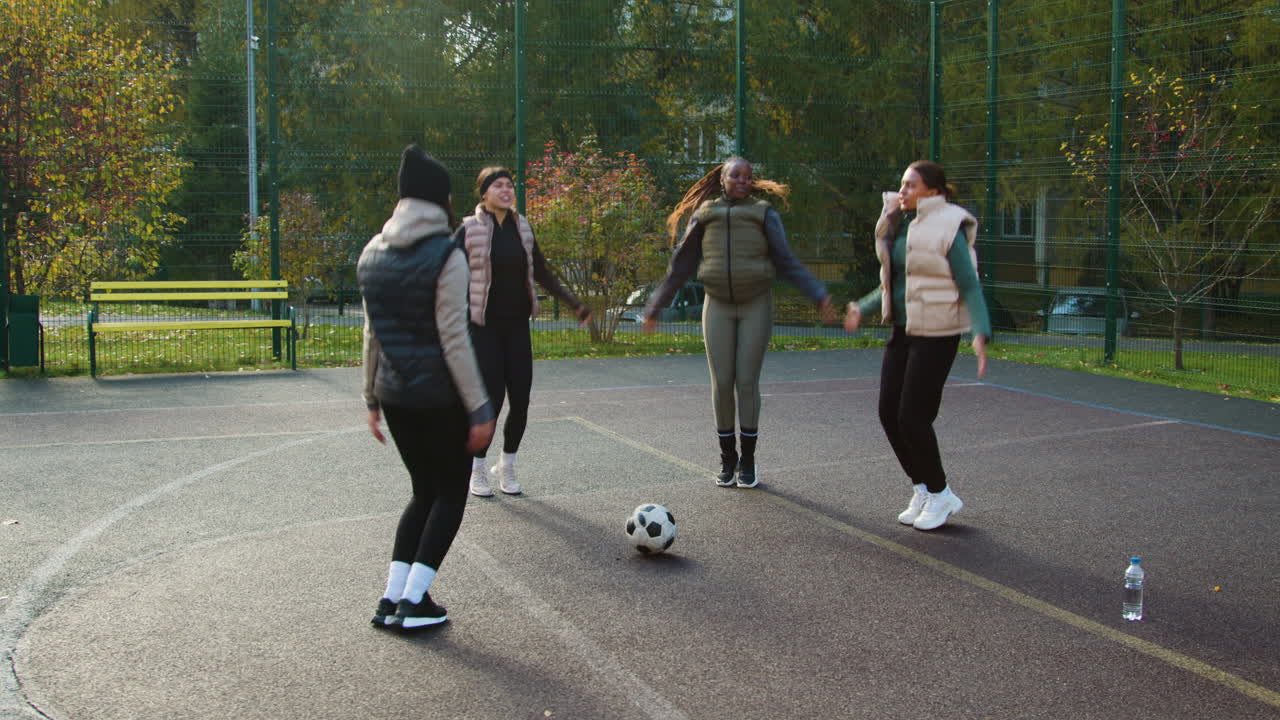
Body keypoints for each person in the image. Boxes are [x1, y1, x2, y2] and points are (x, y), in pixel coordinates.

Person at [359, 145, 496, 629]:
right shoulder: (447, 255)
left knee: (422, 491)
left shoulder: (372, 252)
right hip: (439, 397)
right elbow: (454, 339)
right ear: (438, 200)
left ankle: (392, 597)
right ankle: (414, 603)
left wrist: (371, 398)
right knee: (450, 492)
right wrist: (479, 408)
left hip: (395, 396)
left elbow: (372, 333)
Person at [643, 157, 834, 488]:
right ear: (723, 180)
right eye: (736, 175)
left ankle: (748, 460)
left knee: (746, 382)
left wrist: (818, 294)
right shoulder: (705, 215)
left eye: (748, 176)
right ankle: (727, 459)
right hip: (717, 305)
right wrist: (656, 305)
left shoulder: (763, 214)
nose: (743, 181)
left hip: (754, 305)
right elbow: (682, 264)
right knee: (721, 383)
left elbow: (786, 261)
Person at [844, 160, 990, 531]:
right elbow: (893, 286)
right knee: (888, 413)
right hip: (903, 331)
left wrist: (980, 331)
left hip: (938, 334)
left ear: (933, 191)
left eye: (911, 185)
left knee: (913, 416)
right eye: (902, 184)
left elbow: (970, 285)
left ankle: (942, 495)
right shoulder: (904, 228)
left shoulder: (949, 226)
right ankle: (923, 487)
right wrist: (861, 308)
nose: (902, 191)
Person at [453, 166, 591, 498]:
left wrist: (574, 303)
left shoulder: (523, 228)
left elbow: (542, 271)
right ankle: (477, 468)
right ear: (484, 193)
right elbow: (449, 272)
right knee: (491, 401)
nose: (506, 190)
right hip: (482, 328)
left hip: (516, 327)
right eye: (498, 185)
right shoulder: (468, 229)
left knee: (521, 399)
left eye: (509, 185)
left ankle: (508, 464)